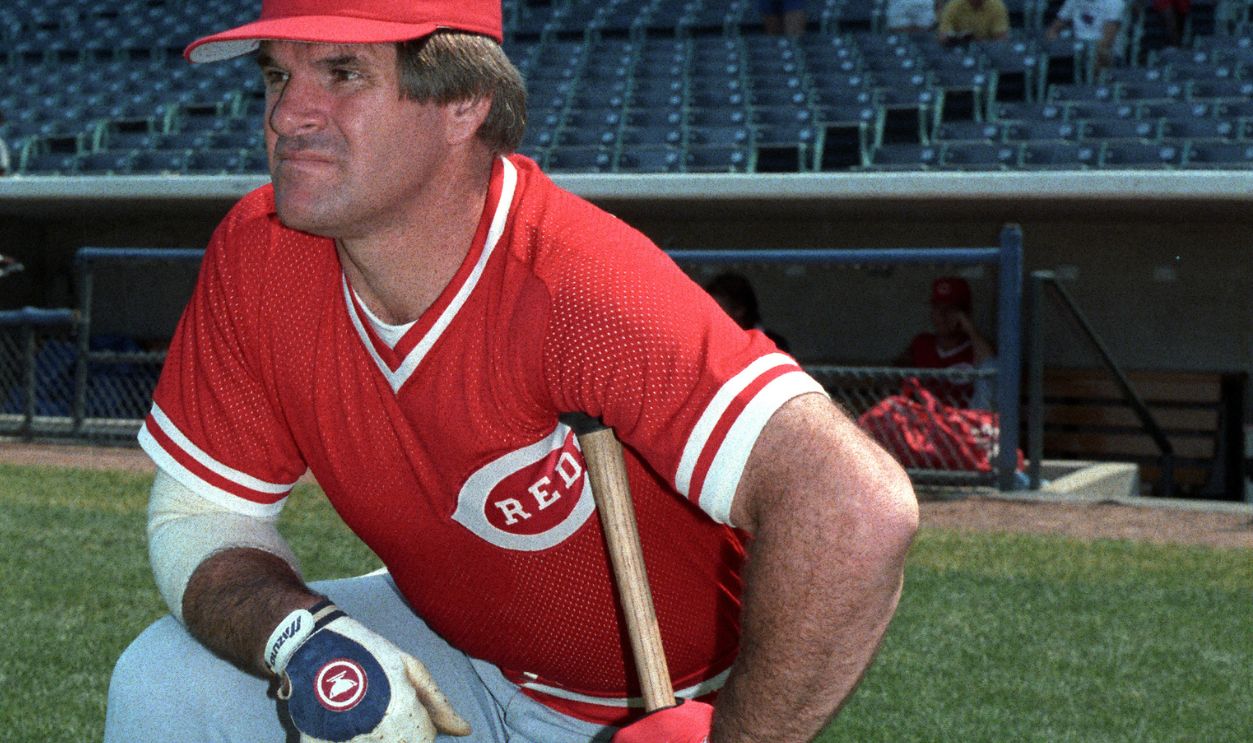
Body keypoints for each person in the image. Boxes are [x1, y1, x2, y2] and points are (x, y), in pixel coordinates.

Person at [103, 2, 918, 742]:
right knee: (168, 678)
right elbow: (202, 517)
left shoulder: (575, 281)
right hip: (458, 652)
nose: (286, 114)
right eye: (278, 74)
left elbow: (855, 508)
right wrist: (304, 637)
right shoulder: (262, 256)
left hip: (658, 700)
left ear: (464, 101)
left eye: (342, 73)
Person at [897, 276, 996, 409]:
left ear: (965, 314)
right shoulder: (922, 342)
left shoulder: (976, 347)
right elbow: (897, 373)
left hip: (966, 423)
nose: (942, 315)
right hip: (929, 421)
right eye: (938, 308)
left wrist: (970, 329)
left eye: (950, 309)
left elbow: (990, 364)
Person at [703, 271, 790, 353]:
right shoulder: (706, 345)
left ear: (739, 309)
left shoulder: (775, 346)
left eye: (717, 308)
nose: (711, 314)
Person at [1046, 0, 1128, 70]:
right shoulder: (1073, 1)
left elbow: (1106, 41)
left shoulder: (1115, 3)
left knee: (1099, 54)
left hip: (1106, 53)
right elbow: (1053, 29)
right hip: (1077, 50)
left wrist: (1086, 50)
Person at [936, 0, 1011, 45]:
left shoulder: (997, 6)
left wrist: (980, 42)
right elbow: (943, 35)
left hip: (988, 46)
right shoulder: (953, 5)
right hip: (959, 47)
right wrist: (955, 37)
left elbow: (1002, 37)